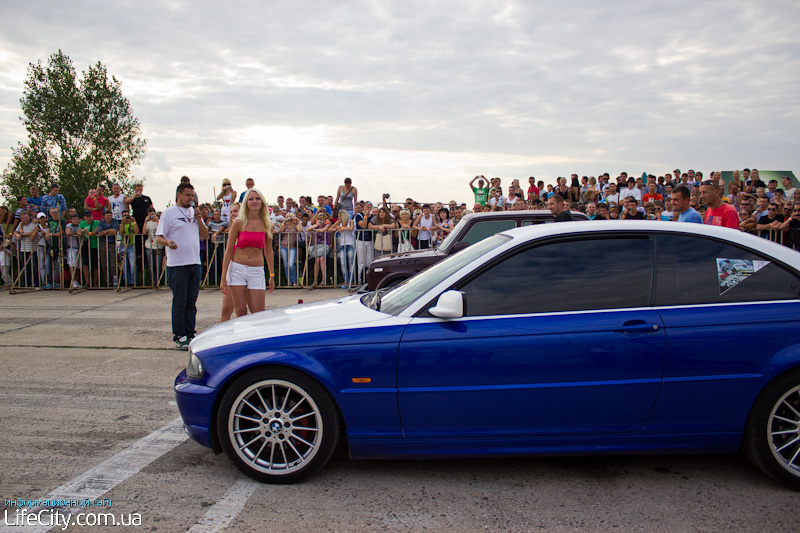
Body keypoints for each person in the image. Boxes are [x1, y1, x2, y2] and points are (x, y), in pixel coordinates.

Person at [156, 182, 209, 349]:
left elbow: (205, 235)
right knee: (180, 300)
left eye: (192, 195)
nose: (190, 198)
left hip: (194, 262)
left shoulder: (195, 213)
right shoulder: (169, 213)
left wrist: (199, 219)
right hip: (177, 264)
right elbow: (159, 236)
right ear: (179, 195)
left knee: (191, 301)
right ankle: (179, 334)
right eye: (188, 195)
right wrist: (168, 242)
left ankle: (190, 332)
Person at [219, 189, 274, 320]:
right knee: (241, 313)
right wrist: (223, 277)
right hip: (237, 269)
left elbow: (269, 251)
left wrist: (271, 275)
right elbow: (228, 250)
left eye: (257, 198)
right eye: (250, 199)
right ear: (246, 203)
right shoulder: (238, 222)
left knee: (259, 313)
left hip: (257, 271)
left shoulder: (267, 224)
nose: (254, 201)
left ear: (262, 202)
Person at [306, 210, 333, 287]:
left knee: (322, 259)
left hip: (325, 246)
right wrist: (315, 225)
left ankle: (323, 280)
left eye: (323, 219)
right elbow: (307, 230)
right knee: (317, 260)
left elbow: (323, 230)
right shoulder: (315, 225)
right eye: (320, 219)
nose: (321, 221)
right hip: (317, 246)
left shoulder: (327, 225)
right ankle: (315, 281)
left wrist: (314, 230)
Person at [332, 210, 355, 289]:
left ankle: (351, 280)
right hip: (342, 244)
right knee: (343, 263)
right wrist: (337, 225)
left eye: (340, 217)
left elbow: (351, 228)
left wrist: (341, 228)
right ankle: (346, 280)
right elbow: (331, 228)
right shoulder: (339, 222)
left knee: (350, 262)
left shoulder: (350, 221)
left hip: (350, 244)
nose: (339, 219)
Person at [142, 207, 163, 286]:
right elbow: (144, 232)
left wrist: (157, 221)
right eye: (149, 215)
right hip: (149, 245)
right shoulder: (148, 223)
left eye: (152, 214)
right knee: (151, 265)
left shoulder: (160, 222)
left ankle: (158, 281)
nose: (151, 216)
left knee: (158, 265)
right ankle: (152, 281)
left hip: (158, 246)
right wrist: (145, 221)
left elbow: (163, 230)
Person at [277, 212, 300, 286]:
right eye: (288, 217)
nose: (290, 218)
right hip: (283, 246)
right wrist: (284, 222)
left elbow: (300, 230)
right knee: (286, 265)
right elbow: (279, 231)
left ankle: (294, 280)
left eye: (291, 217)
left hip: (292, 246)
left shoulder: (295, 225)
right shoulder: (285, 225)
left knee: (291, 264)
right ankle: (289, 281)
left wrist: (298, 222)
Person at [79, 210, 99, 287]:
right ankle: (87, 282)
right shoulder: (82, 223)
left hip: (94, 245)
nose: (89, 218)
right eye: (87, 217)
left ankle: (95, 282)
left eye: (90, 216)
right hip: (86, 246)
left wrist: (89, 233)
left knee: (95, 265)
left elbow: (96, 231)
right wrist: (81, 232)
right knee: (85, 264)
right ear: (84, 217)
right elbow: (79, 231)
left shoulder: (96, 222)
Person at [118, 209, 139, 286]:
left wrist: (134, 222)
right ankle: (126, 281)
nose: (126, 217)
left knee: (132, 264)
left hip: (131, 245)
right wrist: (123, 223)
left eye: (127, 215)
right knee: (124, 265)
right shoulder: (121, 224)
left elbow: (136, 232)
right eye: (124, 216)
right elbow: (121, 232)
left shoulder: (132, 223)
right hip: (123, 245)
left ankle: (133, 281)